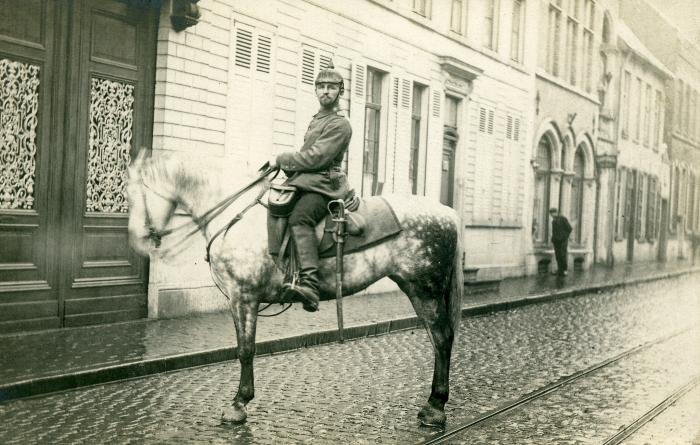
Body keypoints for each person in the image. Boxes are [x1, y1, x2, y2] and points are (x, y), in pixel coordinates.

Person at [268, 61, 352, 312]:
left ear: (340, 91)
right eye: (321, 87)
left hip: (326, 184)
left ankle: (310, 284)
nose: (326, 91)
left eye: (331, 87)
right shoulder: (318, 119)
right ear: (315, 90)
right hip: (308, 181)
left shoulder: (339, 123)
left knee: (300, 218)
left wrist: (285, 159)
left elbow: (317, 157)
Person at [549, 207, 572, 276]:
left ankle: (565, 270)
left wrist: (565, 237)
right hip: (556, 241)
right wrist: (553, 238)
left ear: (556, 212)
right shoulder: (553, 221)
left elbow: (569, 229)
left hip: (563, 241)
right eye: (551, 214)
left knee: (562, 255)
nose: (552, 215)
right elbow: (554, 231)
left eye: (552, 213)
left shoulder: (563, 219)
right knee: (557, 256)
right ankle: (560, 270)